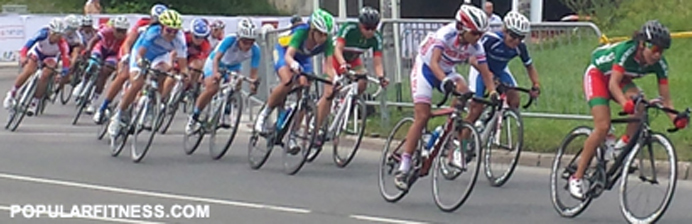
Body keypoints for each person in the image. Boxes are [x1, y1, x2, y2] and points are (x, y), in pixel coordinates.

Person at [569, 20, 688, 199]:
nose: (658, 55)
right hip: (598, 75)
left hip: (621, 79)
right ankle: (576, 177)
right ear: (642, 44)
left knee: (641, 104)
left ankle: (620, 146)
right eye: (655, 49)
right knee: (602, 126)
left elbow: (666, 100)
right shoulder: (627, 51)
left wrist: (675, 119)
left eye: (662, 51)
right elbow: (613, 85)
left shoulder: (660, 64)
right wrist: (625, 103)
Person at [393, 4, 496, 190]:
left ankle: (450, 132)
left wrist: (493, 92)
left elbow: (485, 71)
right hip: (426, 70)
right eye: (475, 33)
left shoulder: (476, 45)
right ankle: (404, 165)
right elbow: (433, 63)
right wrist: (445, 81)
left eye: (481, 34)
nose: (478, 38)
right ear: (462, 28)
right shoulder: (445, 34)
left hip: (447, 71)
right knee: (422, 116)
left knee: (465, 92)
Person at [253, 8, 336, 152]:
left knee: (305, 93)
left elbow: (329, 66)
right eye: (320, 34)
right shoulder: (301, 32)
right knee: (288, 80)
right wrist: (293, 65)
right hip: (284, 51)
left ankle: (293, 134)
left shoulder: (327, 42)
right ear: (312, 30)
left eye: (325, 35)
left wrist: (334, 79)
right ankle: (265, 113)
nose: (323, 38)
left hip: (303, 58)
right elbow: (288, 56)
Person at [312, 6, 388, 147]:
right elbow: (337, 49)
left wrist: (381, 77)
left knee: (362, 82)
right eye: (367, 28)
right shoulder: (349, 28)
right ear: (360, 24)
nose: (370, 31)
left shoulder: (376, 38)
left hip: (353, 60)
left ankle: (348, 103)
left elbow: (377, 62)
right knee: (329, 93)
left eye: (374, 28)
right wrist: (342, 64)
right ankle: (314, 131)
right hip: (336, 58)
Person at [107, 9, 188, 136]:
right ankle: (118, 116)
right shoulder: (152, 32)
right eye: (169, 30)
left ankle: (151, 105)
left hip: (160, 56)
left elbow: (183, 63)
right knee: (137, 84)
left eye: (175, 31)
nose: (172, 34)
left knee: (163, 73)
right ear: (161, 27)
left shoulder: (180, 38)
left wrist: (183, 74)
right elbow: (140, 53)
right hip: (141, 53)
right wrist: (139, 62)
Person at [92, 3, 167, 123]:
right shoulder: (142, 23)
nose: (157, 23)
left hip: (152, 56)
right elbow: (128, 42)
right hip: (133, 51)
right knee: (124, 75)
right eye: (155, 19)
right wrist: (126, 56)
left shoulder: (165, 31)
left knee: (160, 74)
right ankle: (103, 107)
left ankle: (150, 104)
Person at [185, 17, 260, 133]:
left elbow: (253, 72)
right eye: (245, 42)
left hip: (234, 66)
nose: (248, 46)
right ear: (239, 38)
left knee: (237, 83)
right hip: (216, 62)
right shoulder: (230, 40)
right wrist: (215, 73)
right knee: (212, 88)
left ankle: (226, 111)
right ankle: (194, 117)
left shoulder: (256, 50)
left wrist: (253, 85)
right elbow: (216, 58)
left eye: (251, 42)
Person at [468, 11, 540, 126]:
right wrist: (488, 74)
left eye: (521, 37)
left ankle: (491, 124)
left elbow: (529, 67)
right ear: (504, 31)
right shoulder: (491, 39)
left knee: (514, 99)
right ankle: (464, 138)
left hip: (500, 70)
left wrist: (536, 85)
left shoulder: (520, 47)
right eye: (513, 36)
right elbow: (472, 60)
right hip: (480, 69)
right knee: (477, 108)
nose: (516, 41)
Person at [3, 18, 69, 115]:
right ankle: (12, 93)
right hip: (38, 53)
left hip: (50, 58)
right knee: (29, 70)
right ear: (50, 32)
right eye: (54, 34)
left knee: (45, 75)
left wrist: (64, 71)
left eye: (59, 36)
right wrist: (23, 56)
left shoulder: (63, 44)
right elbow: (26, 46)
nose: (56, 38)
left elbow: (66, 59)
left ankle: (35, 102)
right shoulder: (42, 34)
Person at [78, 16, 129, 114]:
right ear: (113, 28)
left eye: (123, 31)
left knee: (104, 73)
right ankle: (83, 82)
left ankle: (93, 102)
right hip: (101, 49)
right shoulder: (107, 30)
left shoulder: (127, 37)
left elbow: (122, 55)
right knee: (93, 63)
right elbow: (94, 40)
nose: (120, 34)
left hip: (113, 54)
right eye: (118, 30)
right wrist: (88, 49)